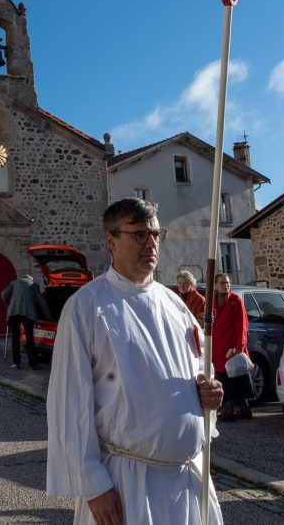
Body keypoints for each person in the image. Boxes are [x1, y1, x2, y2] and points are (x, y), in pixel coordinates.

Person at [47, 198, 225, 524]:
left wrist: (210, 393)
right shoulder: (87, 307)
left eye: (156, 234)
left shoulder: (176, 305)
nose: (151, 243)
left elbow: (201, 370)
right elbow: (70, 403)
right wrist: (93, 485)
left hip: (188, 478)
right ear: (111, 240)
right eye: (139, 234)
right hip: (128, 482)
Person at [214, 272, 252, 422]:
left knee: (236, 378)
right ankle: (243, 409)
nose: (226, 285)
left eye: (228, 282)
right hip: (218, 348)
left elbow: (242, 325)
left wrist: (239, 347)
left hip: (231, 348)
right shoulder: (212, 301)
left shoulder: (235, 300)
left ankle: (230, 411)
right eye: (222, 283)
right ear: (216, 284)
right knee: (228, 379)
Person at [0, 272, 51, 370]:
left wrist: (9, 306)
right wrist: (48, 316)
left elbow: (3, 294)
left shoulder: (14, 282)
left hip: (14, 312)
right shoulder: (34, 285)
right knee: (30, 338)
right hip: (28, 313)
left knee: (15, 337)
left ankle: (16, 363)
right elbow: (42, 301)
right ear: (30, 279)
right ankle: (33, 364)